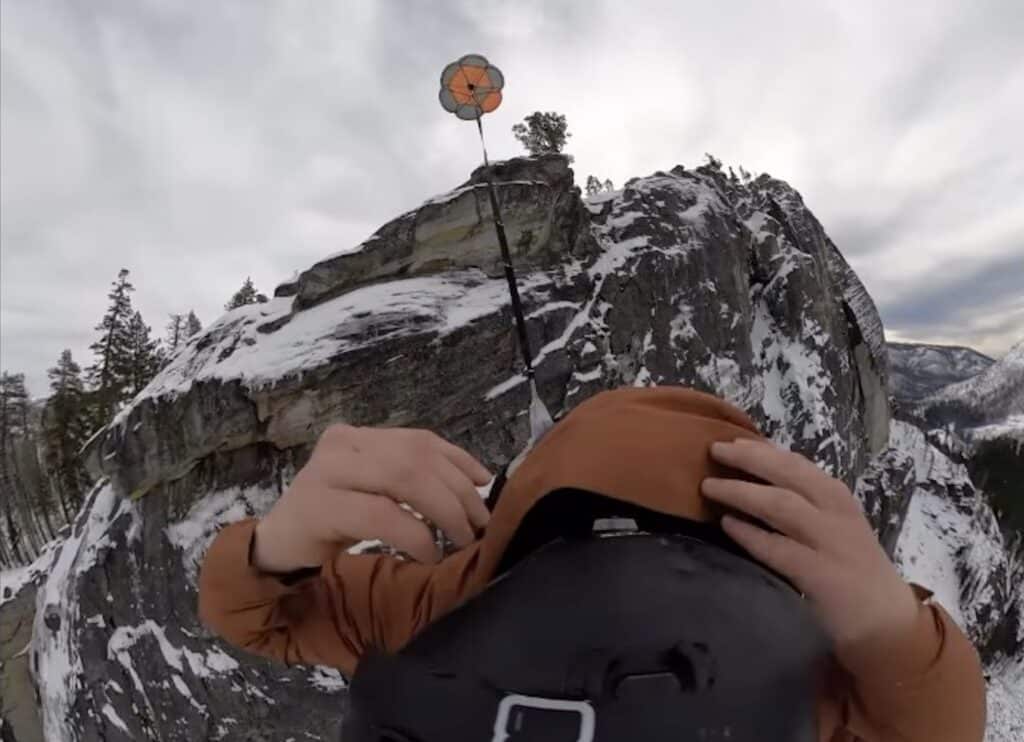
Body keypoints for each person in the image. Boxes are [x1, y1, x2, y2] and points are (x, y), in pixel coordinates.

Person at [198, 386, 985, 741]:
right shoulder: (805, 667)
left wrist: (276, 549)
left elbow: (250, 617)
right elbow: (936, 727)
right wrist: (891, 633)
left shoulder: (446, 603)